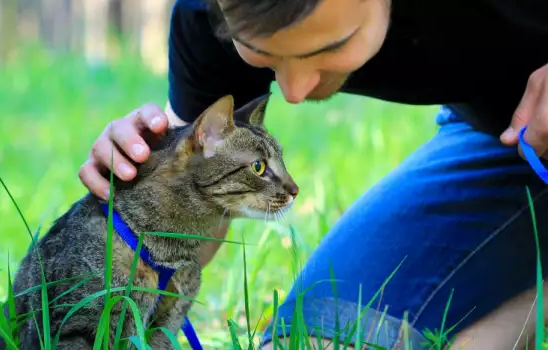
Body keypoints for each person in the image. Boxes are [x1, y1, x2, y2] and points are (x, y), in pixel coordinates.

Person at [77, 0, 548, 348]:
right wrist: (150, 194)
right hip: (508, 143)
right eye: (262, 53)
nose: (295, 90)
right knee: (319, 339)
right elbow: (193, 241)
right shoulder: (213, 19)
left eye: (333, 45)